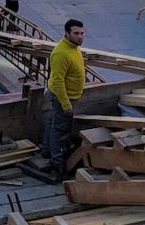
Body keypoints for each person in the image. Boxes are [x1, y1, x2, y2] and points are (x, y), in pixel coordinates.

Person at [44, 20, 86, 181]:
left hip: (69, 95)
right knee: (61, 131)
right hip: (63, 98)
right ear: (67, 33)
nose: (80, 37)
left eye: (82, 33)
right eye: (76, 33)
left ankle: (48, 152)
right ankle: (58, 165)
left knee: (53, 125)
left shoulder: (74, 48)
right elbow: (57, 81)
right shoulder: (61, 53)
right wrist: (66, 104)